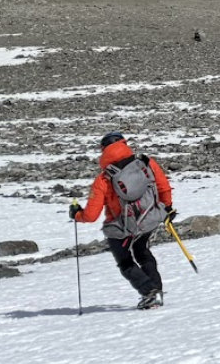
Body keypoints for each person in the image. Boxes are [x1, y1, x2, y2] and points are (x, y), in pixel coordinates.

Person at [70, 132, 176, 310]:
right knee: (142, 251)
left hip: (123, 227)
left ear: (103, 150)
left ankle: (150, 293)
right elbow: (163, 187)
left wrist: (76, 214)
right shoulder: (145, 163)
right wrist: (167, 208)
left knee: (125, 261)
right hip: (150, 217)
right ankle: (156, 290)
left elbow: (91, 215)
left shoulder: (104, 179)